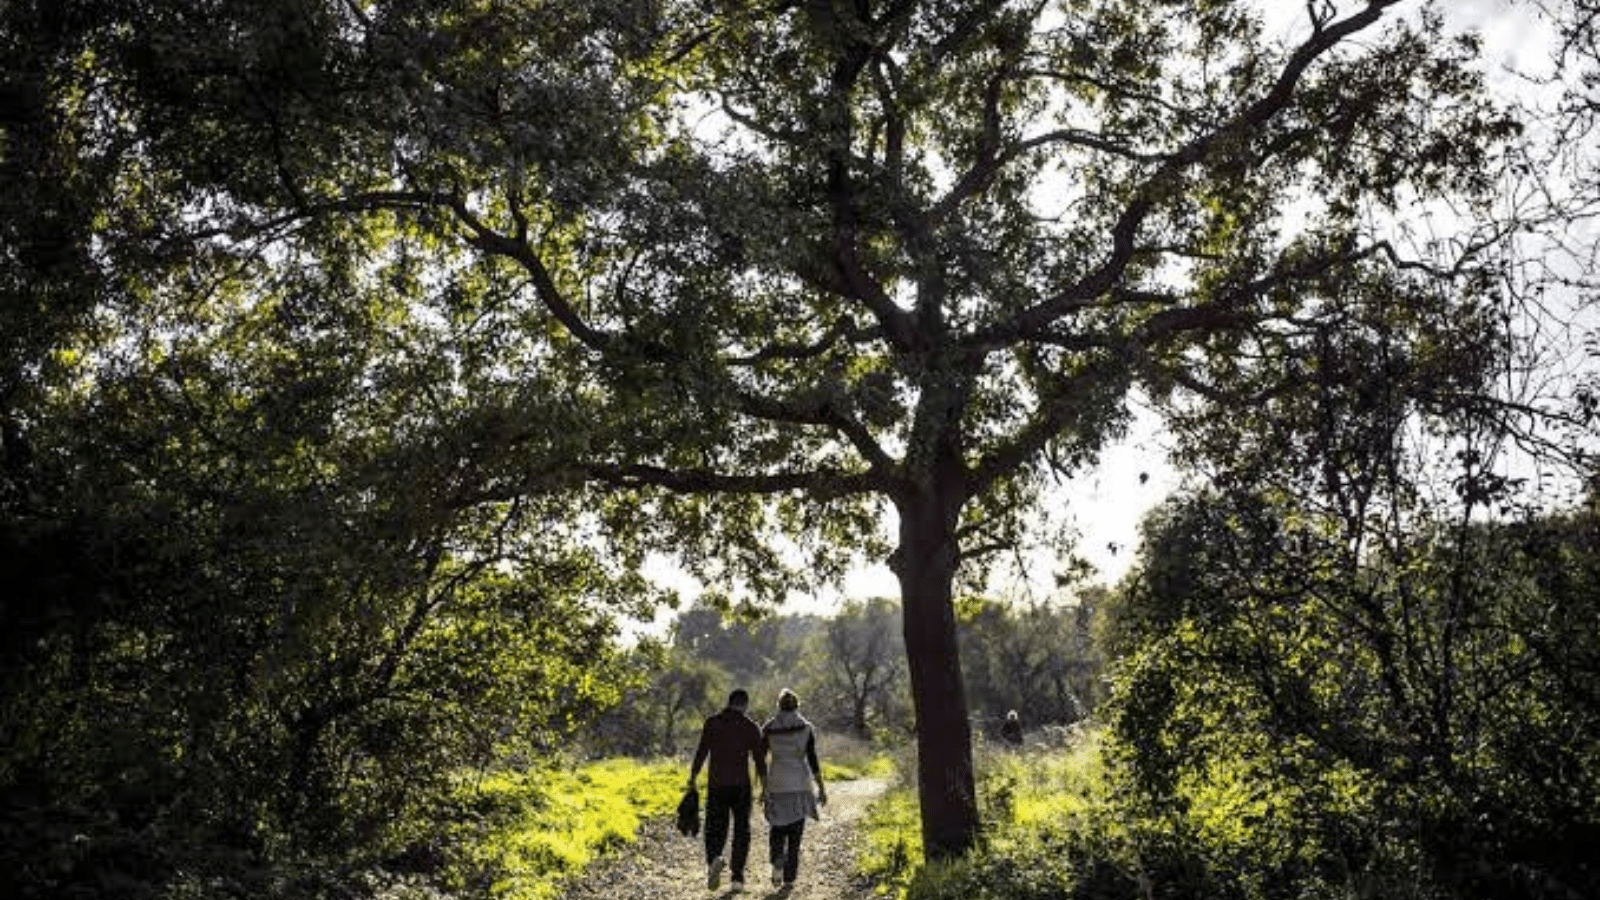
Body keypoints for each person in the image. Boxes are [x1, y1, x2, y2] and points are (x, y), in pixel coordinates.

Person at [689, 689, 767, 891]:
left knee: (714, 827)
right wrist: (765, 787)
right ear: (745, 705)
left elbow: (701, 751)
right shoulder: (750, 726)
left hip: (717, 784)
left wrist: (693, 776)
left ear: (729, 702)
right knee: (742, 830)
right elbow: (759, 761)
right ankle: (737, 879)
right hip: (741, 786)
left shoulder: (712, 723)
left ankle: (714, 859)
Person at [759, 689, 826, 890]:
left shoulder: (769, 727)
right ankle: (789, 878)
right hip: (800, 782)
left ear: (778, 705)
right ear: (797, 705)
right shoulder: (806, 727)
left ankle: (777, 861)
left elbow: (760, 760)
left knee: (777, 827)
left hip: (777, 781)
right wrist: (822, 787)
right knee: (796, 833)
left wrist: (762, 787)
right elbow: (813, 760)